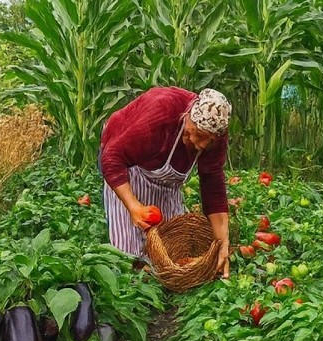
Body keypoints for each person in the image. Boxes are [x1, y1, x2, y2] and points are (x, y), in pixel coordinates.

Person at [99, 87, 232, 278]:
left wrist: (222, 243)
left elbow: (213, 183)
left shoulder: (216, 132)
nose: (202, 145)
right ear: (188, 117)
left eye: (209, 140)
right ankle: (130, 290)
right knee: (128, 258)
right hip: (130, 170)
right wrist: (134, 206)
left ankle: (161, 290)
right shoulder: (162, 111)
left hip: (167, 185)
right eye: (199, 134)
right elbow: (112, 158)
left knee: (170, 252)